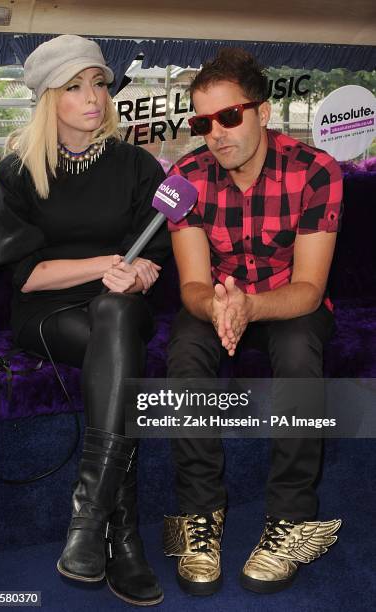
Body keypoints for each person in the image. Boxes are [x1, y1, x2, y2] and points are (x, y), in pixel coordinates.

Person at [0, 34, 171, 606]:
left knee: (115, 314)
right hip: (49, 313)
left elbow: (157, 257)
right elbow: (24, 275)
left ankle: (88, 522)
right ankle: (122, 534)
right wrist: (104, 264)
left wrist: (137, 276)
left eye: (98, 83)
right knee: (113, 350)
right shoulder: (17, 171)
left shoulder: (138, 165)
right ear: (47, 99)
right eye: (75, 87)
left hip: (120, 308)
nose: (94, 97)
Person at [163, 48, 342, 596]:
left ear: (262, 113)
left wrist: (250, 307)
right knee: (185, 355)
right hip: (215, 302)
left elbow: (310, 289)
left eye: (229, 116)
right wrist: (220, 307)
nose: (214, 133)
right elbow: (192, 284)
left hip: (288, 303)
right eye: (201, 122)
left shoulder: (317, 171)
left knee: (296, 355)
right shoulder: (184, 177)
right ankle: (199, 518)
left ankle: (290, 518)